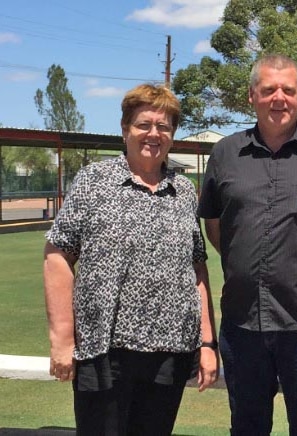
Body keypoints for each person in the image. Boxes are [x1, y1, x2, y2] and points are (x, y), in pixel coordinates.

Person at [198, 53, 297, 435]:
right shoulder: (224, 153)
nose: (279, 98)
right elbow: (216, 226)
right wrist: (248, 260)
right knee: (247, 426)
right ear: (252, 95)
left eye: (288, 90)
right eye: (269, 89)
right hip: (242, 324)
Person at [43, 83, 219, 435]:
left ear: (172, 135)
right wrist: (62, 338)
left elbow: (196, 267)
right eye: (144, 124)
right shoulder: (95, 181)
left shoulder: (183, 190)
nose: (153, 134)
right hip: (105, 350)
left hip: (170, 351)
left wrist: (207, 342)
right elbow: (57, 254)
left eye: (164, 126)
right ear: (125, 129)